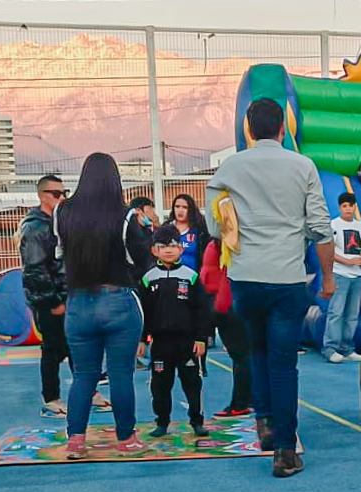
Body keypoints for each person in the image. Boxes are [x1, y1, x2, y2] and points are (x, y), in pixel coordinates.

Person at [206, 98, 335, 478]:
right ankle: (284, 448)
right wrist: (327, 278)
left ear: (248, 128)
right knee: (284, 363)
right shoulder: (303, 166)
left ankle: (262, 420)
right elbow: (321, 229)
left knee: (256, 351)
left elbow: (215, 228)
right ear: (283, 129)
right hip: (287, 278)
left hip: (246, 277)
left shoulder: (229, 168)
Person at [55, 153, 147, 459]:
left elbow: (56, 257)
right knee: (121, 374)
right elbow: (142, 261)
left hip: (78, 303)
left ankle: (76, 441)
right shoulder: (125, 216)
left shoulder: (63, 212)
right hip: (118, 300)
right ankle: (127, 440)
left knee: (84, 375)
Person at [19, 175, 111, 418]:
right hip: (52, 300)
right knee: (51, 349)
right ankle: (51, 398)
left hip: (72, 295)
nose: (62, 198)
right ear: (42, 195)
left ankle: (88, 392)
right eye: (56, 194)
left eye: (64, 193)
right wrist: (53, 302)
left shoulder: (63, 222)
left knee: (79, 346)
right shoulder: (35, 227)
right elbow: (36, 268)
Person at [138, 225, 212, 438]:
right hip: (160, 343)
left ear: (181, 249)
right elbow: (144, 312)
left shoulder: (191, 276)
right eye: (162, 246)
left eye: (173, 245)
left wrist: (201, 338)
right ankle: (162, 421)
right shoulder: (148, 278)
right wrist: (142, 339)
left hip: (187, 342)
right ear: (155, 251)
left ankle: (197, 420)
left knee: (192, 383)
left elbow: (201, 310)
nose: (168, 250)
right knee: (160, 386)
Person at [201, 236, 253, 418]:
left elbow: (226, 273)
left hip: (225, 301)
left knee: (241, 354)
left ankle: (241, 403)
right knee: (242, 353)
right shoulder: (218, 241)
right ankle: (247, 399)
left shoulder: (228, 241)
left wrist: (221, 305)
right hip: (220, 300)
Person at [324, 192, 361, 364]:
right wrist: (347, 260)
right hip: (340, 274)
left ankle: (347, 347)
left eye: (350, 205)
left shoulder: (360, 226)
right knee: (336, 311)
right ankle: (330, 348)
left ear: (354, 207)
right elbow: (329, 250)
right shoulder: (334, 225)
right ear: (340, 208)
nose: (348, 209)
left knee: (352, 313)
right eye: (344, 206)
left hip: (356, 275)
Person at [166, 194, 211, 272]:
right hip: (170, 278)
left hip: (194, 278)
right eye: (177, 206)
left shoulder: (201, 231)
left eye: (185, 207)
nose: (180, 210)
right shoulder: (165, 230)